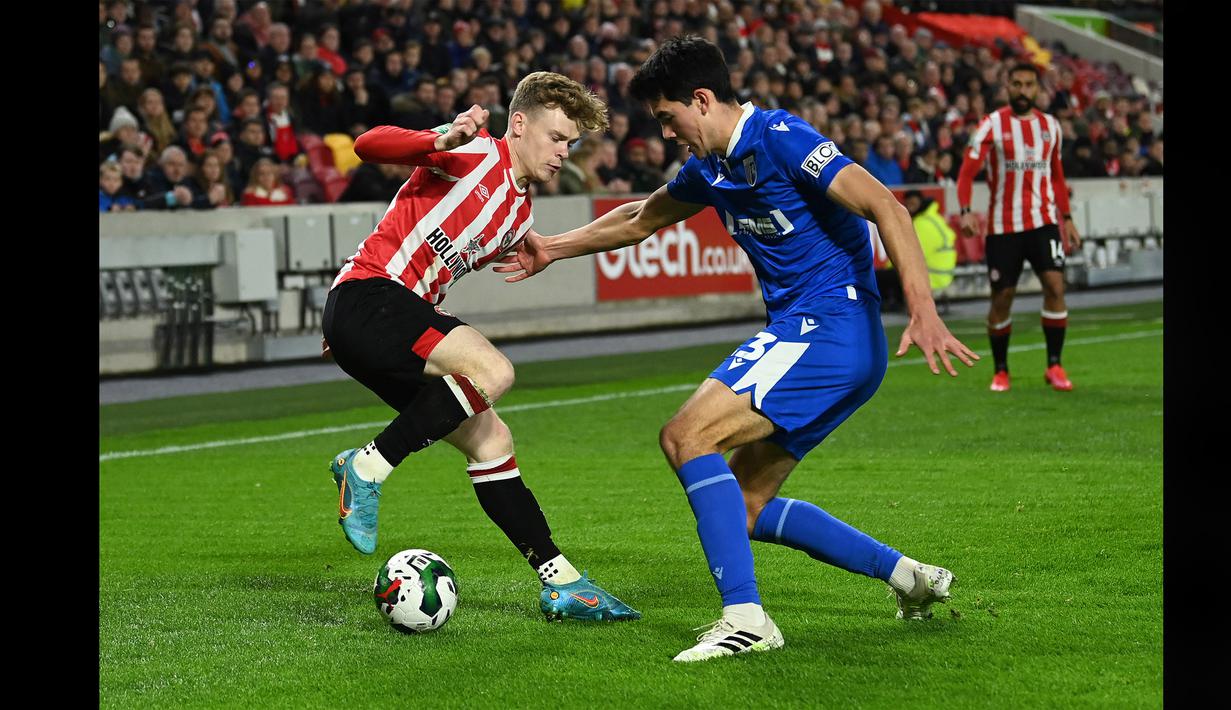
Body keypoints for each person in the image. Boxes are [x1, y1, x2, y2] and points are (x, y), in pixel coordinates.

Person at [496, 36, 976, 662]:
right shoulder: (710, 169)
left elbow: (886, 205)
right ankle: (910, 577)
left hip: (828, 327)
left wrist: (924, 311)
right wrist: (552, 246)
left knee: (686, 437)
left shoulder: (781, 138)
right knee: (746, 506)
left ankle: (746, 619)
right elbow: (642, 217)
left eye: (668, 118)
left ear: (701, 99)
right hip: (829, 344)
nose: (667, 134)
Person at [321, 71, 640, 622]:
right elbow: (366, 146)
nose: (563, 152)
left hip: (389, 327)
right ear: (519, 125)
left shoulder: (520, 215)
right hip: (368, 295)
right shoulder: (471, 152)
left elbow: (545, 232)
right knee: (492, 370)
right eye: (556, 136)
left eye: (571, 143)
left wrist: (546, 250)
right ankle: (366, 467)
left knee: (492, 440)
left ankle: (563, 583)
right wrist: (437, 138)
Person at [957, 62, 1080, 392]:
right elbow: (967, 172)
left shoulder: (1050, 126)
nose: (1023, 90)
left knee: (1055, 287)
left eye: (1029, 85)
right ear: (1007, 86)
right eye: (1017, 84)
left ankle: (1054, 365)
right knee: (1002, 298)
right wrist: (966, 210)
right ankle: (1001, 370)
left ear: (1038, 89)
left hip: (1044, 223)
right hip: (1003, 227)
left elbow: (1056, 176)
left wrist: (1066, 219)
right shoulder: (991, 125)